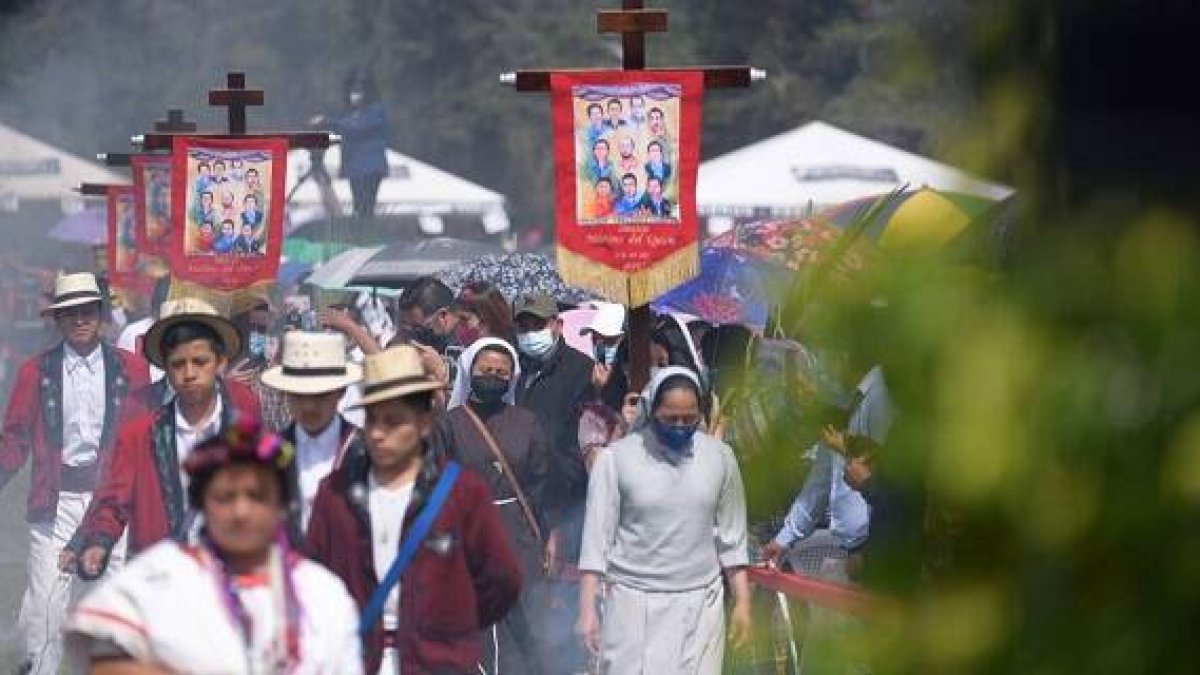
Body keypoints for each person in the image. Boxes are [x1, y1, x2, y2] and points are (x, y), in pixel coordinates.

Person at [65, 417, 363, 673]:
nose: (241, 512)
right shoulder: (162, 575)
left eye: (257, 496)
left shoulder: (323, 593)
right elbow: (102, 661)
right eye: (225, 497)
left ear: (282, 504)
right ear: (202, 504)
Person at [306, 346, 523, 674]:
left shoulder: (463, 495)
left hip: (437, 663)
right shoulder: (335, 493)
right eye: (372, 420)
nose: (379, 434)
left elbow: (501, 580)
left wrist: (455, 630)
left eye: (394, 422)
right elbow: (313, 577)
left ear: (424, 423)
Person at [0, 273, 151, 675]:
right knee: (47, 602)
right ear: (58, 319)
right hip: (56, 498)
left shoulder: (132, 369)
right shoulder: (36, 372)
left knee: (115, 599)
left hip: (112, 501)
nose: (80, 319)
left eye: (87, 310)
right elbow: (14, 438)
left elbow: (145, 433)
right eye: (71, 312)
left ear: (101, 314)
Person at [577, 368, 751, 674]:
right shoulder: (616, 459)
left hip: (701, 604)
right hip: (633, 604)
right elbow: (595, 542)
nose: (681, 426)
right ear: (652, 410)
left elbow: (732, 541)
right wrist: (587, 609)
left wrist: (743, 602)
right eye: (671, 418)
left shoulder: (720, 458)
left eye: (689, 418)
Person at [72, 298, 262, 578]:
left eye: (200, 362)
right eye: (178, 364)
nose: (189, 374)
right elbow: (114, 497)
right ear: (165, 367)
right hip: (161, 573)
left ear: (220, 362)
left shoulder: (244, 417)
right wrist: (98, 541)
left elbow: (270, 475)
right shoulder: (139, 433)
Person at [437, 338, 553, 674]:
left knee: (525, 624)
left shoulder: (526, 422)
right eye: (485, 370)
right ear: (470, 371)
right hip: (468, 537)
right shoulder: (449, 424)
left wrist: (546, 536)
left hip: (518, 535)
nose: (493, 376)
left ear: (512, 378)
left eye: (501, 372)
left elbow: (540, 482)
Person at [511, 293, 597, 672]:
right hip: (521, 507)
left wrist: (558, 524)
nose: (531, 334)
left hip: (565, 510)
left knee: (562, 623)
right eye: (524, 326)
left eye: (538, 325)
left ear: (558, 326)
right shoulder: (513, 369)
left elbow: (576, 455)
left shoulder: (581, 371)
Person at [260, 330, 365, 533]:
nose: (309, 406)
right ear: (285, 393)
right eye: (299, 395)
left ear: (341, 391)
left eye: (320, 395)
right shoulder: (269, 453)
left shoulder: (363, 449)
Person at [314, 70, 389, 220]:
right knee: (358, 207)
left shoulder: (377, 111)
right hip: (354, 167)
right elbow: (347, 128)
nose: (353, 95)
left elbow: (356, 128)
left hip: (369, 167)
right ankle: (360, 231)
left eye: (358, 91)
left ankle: (366, 233)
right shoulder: (352, 114)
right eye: (352, 91)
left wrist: (327, 121)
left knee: (366, 207)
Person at [397, 276, 460, 356]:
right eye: (407, 328)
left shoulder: (468, 345)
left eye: (419, 330)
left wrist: (439, 368)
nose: (411, 339)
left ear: (442, 316)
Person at [450, 281, 516, 348]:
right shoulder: (460, 347)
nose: (457, 323)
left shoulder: (496, 354)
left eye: (464, 319)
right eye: (456, 317)